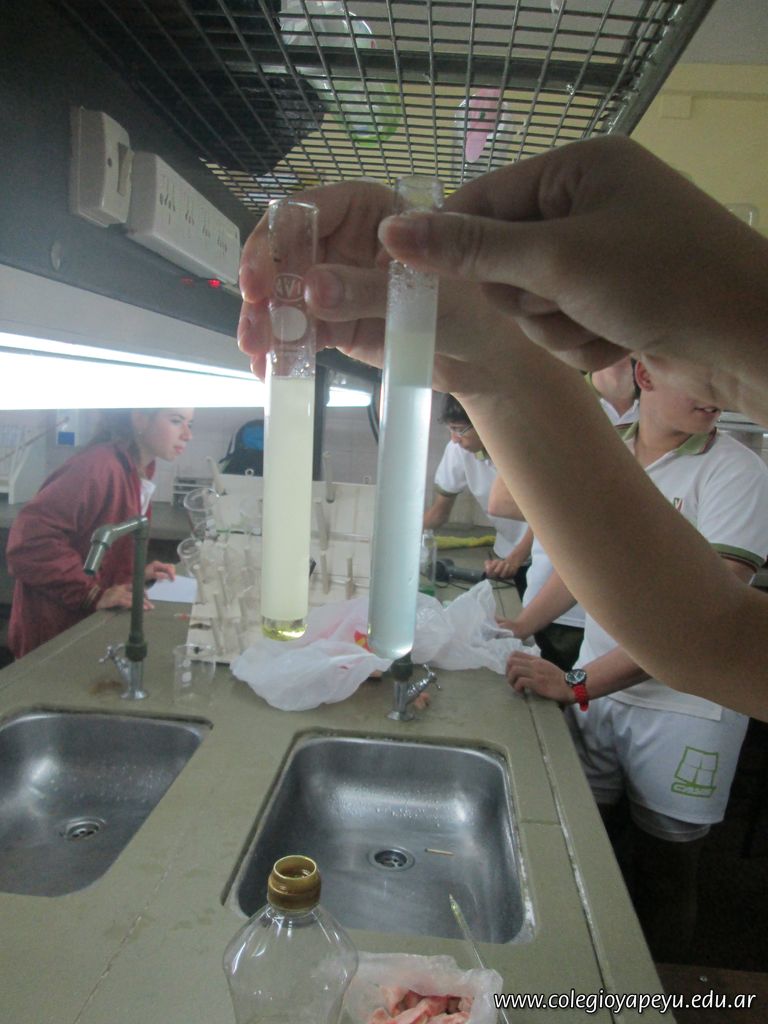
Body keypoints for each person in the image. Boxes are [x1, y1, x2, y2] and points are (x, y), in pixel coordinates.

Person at [237, 135, 768, 720]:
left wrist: (740, 308)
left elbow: (717, 641)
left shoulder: (738, 470)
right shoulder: (633, 432)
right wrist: (489, 355)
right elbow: (707, 634)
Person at [506, 361, 768, 960]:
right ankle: (585, 974)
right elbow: (583, 565)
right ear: (645, 374)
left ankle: (656, 990)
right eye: (701, 379)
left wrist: (576, 683)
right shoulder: (611, 452)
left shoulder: (738, 473)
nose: (716, 397)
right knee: (585, 848)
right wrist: (518, 625)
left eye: (722, 383)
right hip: (600, 689)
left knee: (665, 871)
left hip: (685, 707)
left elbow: (698, 623)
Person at [6, 408, 194, 659]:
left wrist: (135, 574)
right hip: (55, 634)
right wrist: (91, 593)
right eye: (176, 421)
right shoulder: (98, 467)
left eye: (190, 423)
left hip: (80, 624)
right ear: (139, 418)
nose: (187, 434)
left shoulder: (138, 467)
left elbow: (95, 547)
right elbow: (29, 543)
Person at [491, 359, 639, 669]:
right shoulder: (557, 400)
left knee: (583, 691)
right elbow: (502, 500)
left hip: (625, 616)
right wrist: (602, 516)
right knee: (564, 691)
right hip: (554, 607)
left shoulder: (657, 412)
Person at [424, 394, 531, 592]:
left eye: (459, 430)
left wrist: (516, 559)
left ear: (485, 422)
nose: (454, 438)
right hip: (509, 547)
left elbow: (548, 519)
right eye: (450, 429)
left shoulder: (524, 449)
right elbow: (439, 512)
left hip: (549, 549)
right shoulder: (458, 450)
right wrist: (403, 535)